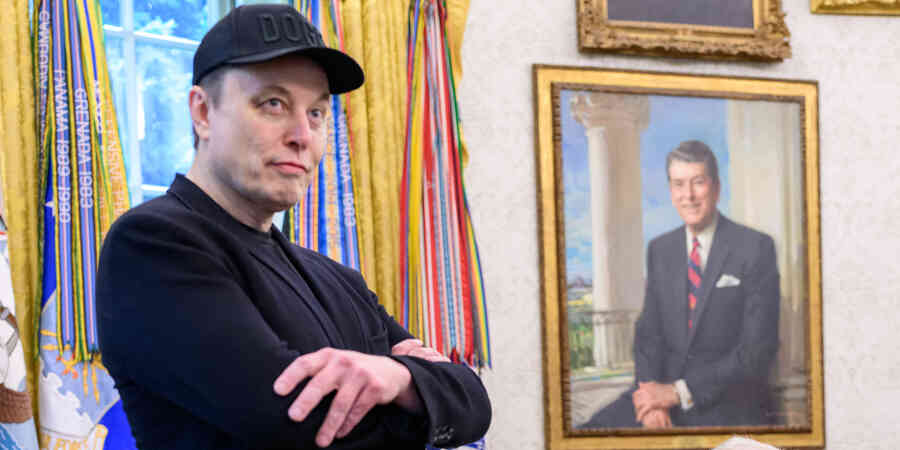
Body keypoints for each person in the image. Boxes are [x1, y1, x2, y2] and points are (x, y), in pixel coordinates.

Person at [95, 4, 491, 449]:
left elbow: (474, 403)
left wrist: (396, 377)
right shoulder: (151, 245)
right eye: (274, 104)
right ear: (203, 112)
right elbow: (301, 427)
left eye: (317, 113)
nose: (302, 135)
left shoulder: (340, 280)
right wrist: (422, 391)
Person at [582, 140, 780, 428]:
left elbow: (756, 351)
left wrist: (677, 393)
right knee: (586, 434)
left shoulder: (754, 248)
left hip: (726, 401)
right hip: (661, 395)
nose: (688, 195)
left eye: (698, 182)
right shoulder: (660, 249)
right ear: (671, 191)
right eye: (678, 184)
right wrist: (651, 397)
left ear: (716, 187)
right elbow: (648, 335)